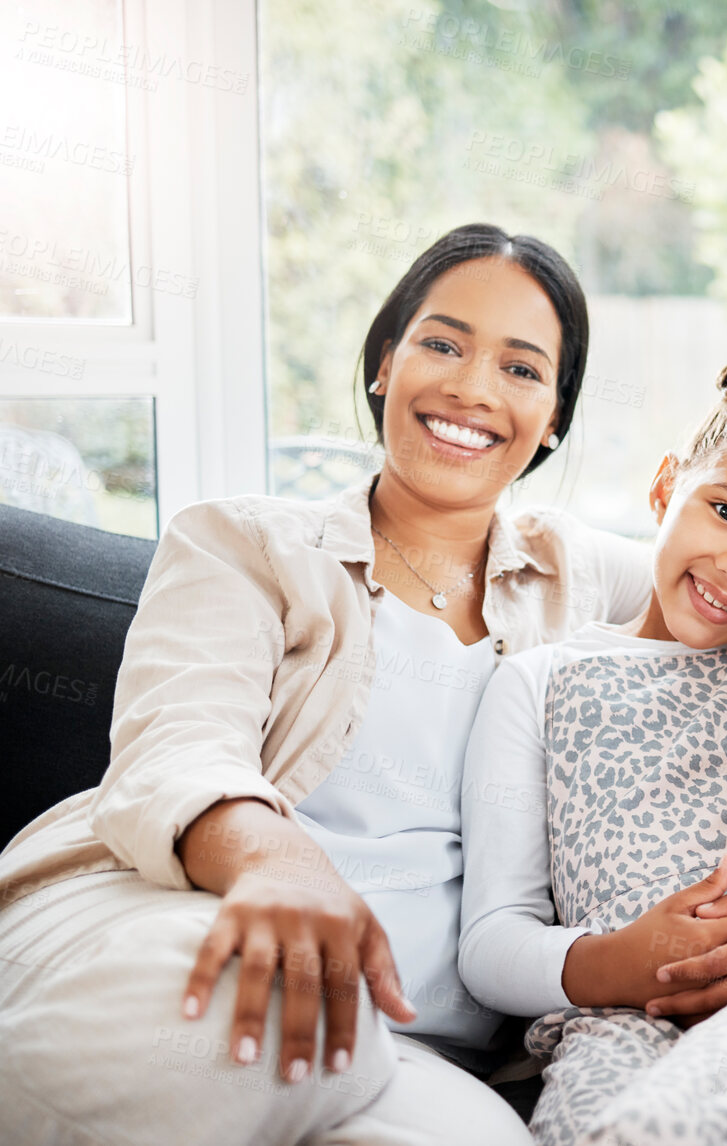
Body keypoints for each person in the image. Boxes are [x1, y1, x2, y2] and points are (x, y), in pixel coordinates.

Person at [0, 224, 651, 1145]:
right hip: (192, 924)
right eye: (442, 343)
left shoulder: (581, 578)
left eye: (521, 368)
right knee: (246, 1024)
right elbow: (178, 743)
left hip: (423, 1048)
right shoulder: (243, 544)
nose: (471, 388)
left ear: (555, 419)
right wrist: (280, 865)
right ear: (385, 363)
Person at [458, 353, 727, 1146]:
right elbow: (492, 942)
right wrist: (619, 964)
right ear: (666, 487)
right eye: (726, 512)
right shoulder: (540, 682)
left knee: (691, 1123)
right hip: (613, 1017)